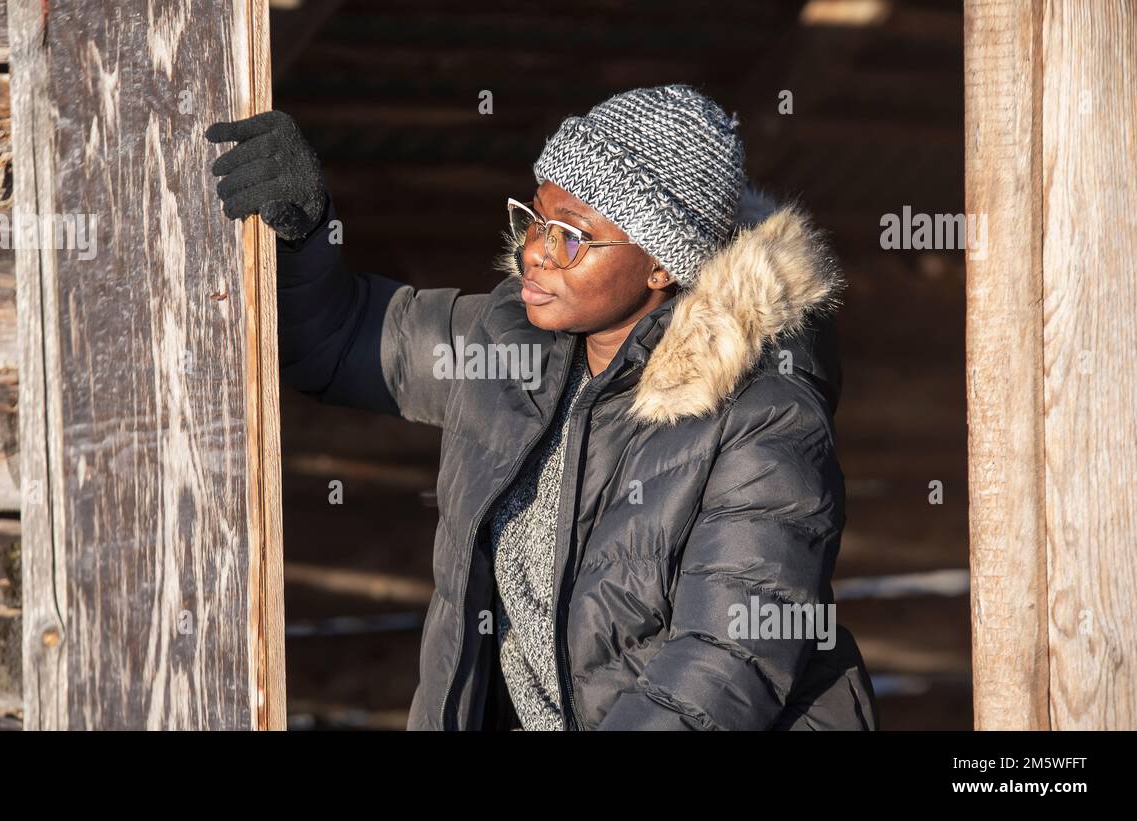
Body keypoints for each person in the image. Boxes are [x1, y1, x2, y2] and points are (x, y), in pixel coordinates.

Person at [205, 84, 877, 731]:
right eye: (533, 218)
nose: (534, 252)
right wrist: (305, 232)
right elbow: (341, 338)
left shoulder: (763, 415)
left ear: (661, 265)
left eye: (571, 237)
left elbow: (725, 666)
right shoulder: (510, 342)